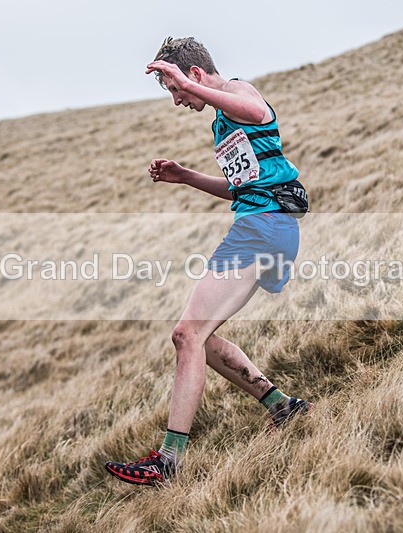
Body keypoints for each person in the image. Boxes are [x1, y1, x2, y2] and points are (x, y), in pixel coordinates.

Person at [104, 37, 311, 486]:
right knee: (201, 337)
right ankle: (281, 406)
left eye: (176, 89)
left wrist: (186, 84)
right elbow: (242, 188)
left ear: (194, 74)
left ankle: (168, 461)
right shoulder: (223, 119)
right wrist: (186, 177)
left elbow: (260, 113)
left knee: (186, 335)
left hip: (263, 227)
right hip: (267, 225)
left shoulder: (239, 93)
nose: (177, 100)